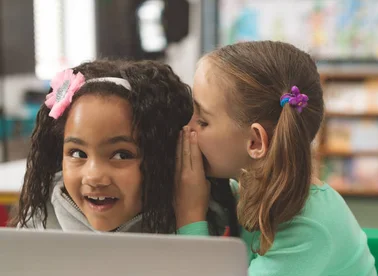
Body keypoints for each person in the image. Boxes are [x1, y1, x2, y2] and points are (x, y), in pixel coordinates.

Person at [176, 40, 378, 276]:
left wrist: (190, 215)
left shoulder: (308, 225)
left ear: (256, 142)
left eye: (202, 120)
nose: (188, 129)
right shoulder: (249, 186)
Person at [12, 59, 237, 235]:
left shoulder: (207, 223)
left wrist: (190, 220)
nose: (94, 177)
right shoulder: (38, 224)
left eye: (121, 155)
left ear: (167, 158)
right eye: (77, 153)